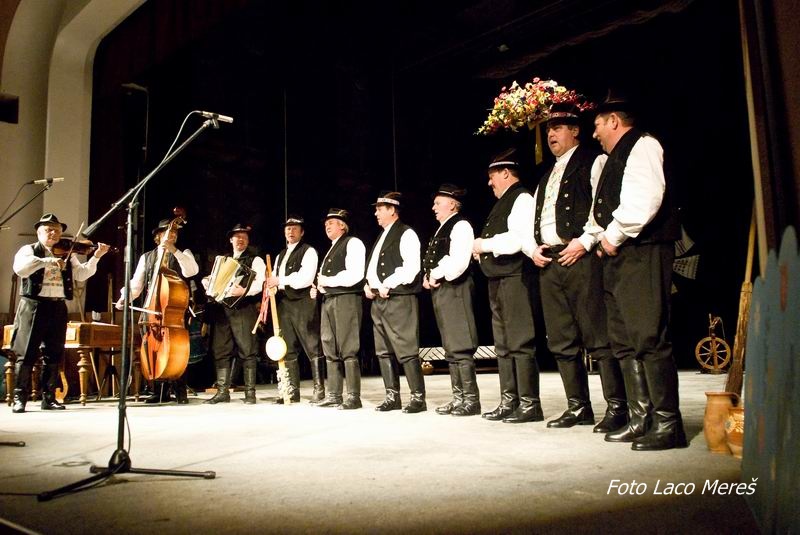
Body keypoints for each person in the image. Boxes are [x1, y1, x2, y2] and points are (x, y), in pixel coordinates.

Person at [589, 95, 686, 450]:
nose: (595, 133)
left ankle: (668, 423)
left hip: (643, 250)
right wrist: (597, 239)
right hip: (618, 254)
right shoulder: (611, 158)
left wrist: (612, 236)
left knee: (648, 335)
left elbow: (646, 198)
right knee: (624, 339)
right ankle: (640, 416)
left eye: (597, 125)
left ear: (614, 120)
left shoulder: (642, 145)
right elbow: (600, 211)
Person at [530, 102, 628, 431]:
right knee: (560, 339)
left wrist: (584, 242)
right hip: (551, 261)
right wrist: (535, 247)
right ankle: (578, 406)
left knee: (597, 335)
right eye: (548, 130)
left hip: (581, 257)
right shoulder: (546, 176)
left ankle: (617, 406)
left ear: (575, 131)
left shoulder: (593, 161)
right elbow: (540, 218)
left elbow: (604, 208)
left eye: (557, 128)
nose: (551, 134)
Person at [10, 213, 111, 413]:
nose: (54, 233)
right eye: (49, 230)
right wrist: (48, 261)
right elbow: (21, 269)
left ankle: (49, 398)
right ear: (39, 232)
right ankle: (19, 398)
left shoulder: (67, 252)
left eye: (57, 230)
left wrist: (96, 257)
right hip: (33, 305)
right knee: (26, 353)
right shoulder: (28, 250)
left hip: (57, 307)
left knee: (54, 354)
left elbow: (81, 274)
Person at [472, 150, 543, 424]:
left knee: (520, 341)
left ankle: (529, 403)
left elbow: (517, 239)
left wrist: (483, 245)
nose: (489, 182)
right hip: (499, 278)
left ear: (505, 173)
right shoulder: (503, 201)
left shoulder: (521, 198)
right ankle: (509, 400)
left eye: (492, 176)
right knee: (503, 344)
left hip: (516, 278)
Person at [115, 217, 200, 404]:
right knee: (154, 347)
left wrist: (174, 251)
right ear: (158, 236)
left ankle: (180, 390)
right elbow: (136, 285)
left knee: (177, 349)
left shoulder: (183, 253)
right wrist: (124, 298)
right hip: (153, 309)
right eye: (168, 232)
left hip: (174, 311)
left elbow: (192, 271)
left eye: (174, 232)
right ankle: (159, 390)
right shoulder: (147, 257)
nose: (172, 235)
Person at [423, 184, 481, 416]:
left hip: (456, 288)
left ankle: (471, 400)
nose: (434, 207)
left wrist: (435, 273)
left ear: (452, 204)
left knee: (461, 343)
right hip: (443, 289)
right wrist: (428, 275)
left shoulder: (461, 225)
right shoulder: (443, 228)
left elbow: (459, 261)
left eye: (438, 203)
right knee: (451, 346)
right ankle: (459, 398)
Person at [365, 191, 426, 414]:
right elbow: (373, 267)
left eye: (379, 209)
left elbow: (411, 268)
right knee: (383, 350)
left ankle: (418, 397)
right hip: (379, 300)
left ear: (392, 210)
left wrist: (387, 284)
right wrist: (368, 284)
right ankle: (392, 396)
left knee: (406, 347)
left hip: (398, 298)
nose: (376, 213)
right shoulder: (383, 235)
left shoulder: (406, 233)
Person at [202, 223, 266, 405]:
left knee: (247, 350)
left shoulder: (255, 260)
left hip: (243, 309)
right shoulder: (223, 260)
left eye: (244, 237)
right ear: (231, 239)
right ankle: (223, 391)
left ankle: (250, 393)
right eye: (237, 237)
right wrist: (208, 281)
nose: (241, 240)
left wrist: (244, 291)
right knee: (220, 350)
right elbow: (214, 280)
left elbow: (260, 282)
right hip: (222, 310)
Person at [266, 215, 324, 403]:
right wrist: (272, 287)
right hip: (284, 304)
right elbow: (275, 279)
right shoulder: (280, 255)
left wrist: (279, 280)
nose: (290, 231)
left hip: (303, 302)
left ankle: (319, 389)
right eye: (288, 228)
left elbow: (305, 278)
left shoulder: (309, 251)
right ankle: (291, 391)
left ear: (302, 232)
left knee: (312, 346)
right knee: (288, 348)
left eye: (294, 228)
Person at [313, 208, 365, 409]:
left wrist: (328, 281)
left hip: (345, 299)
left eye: (332, 223)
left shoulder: (352, 243)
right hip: (329, 300)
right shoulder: (332, 248)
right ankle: (334, 394)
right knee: (329, 346)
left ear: (342, 225)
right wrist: (320, 286)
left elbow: (355, 275)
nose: (327, 226)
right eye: (326, 223)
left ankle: (353, 396)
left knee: (348, 347)